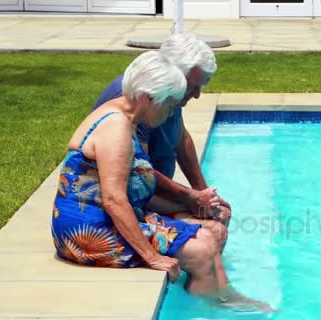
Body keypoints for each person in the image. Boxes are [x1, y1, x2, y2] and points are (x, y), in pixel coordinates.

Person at [51, 51, 271, 311]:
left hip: (106, 217)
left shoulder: (126, 118)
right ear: (148, 97)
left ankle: (203, 297)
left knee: (214, 231)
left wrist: (192, 200)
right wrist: (151, 256)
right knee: (203, 250)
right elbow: (113, 199)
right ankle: (217, 304)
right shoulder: (116, 126)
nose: (170, 114)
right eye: (168, 105)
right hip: (89, 231)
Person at [92, 33, 230, 252]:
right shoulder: (141, 99)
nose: (197, 95)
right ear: (170, 70)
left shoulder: (168, 96)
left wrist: (203, 191)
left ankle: (198, 279)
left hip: (149, 191)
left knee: (219, 212)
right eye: (193, 86)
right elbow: (138, 172)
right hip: (137, 199)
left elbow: (181, 137)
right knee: (213, 231)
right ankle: (195, 280)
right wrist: (190, 196)